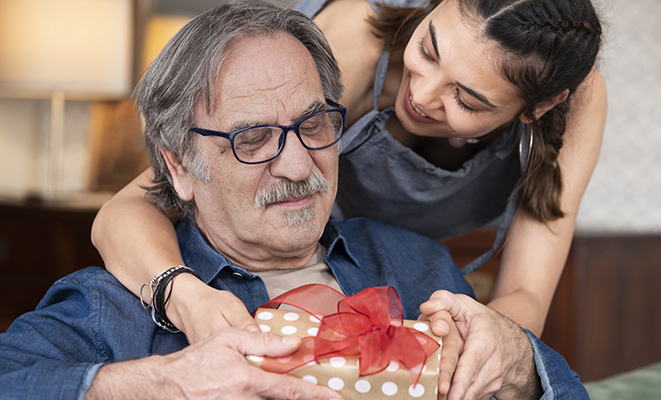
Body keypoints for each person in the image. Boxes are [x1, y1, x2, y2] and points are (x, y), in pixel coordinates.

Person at [0, 2, 588, 399]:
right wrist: (159, 381)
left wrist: (515, 362)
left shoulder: (419, 268)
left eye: (313, 127)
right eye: (252, 138)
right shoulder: (114, 305)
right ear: (180, 166)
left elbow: (551, 370)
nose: (297, 163)